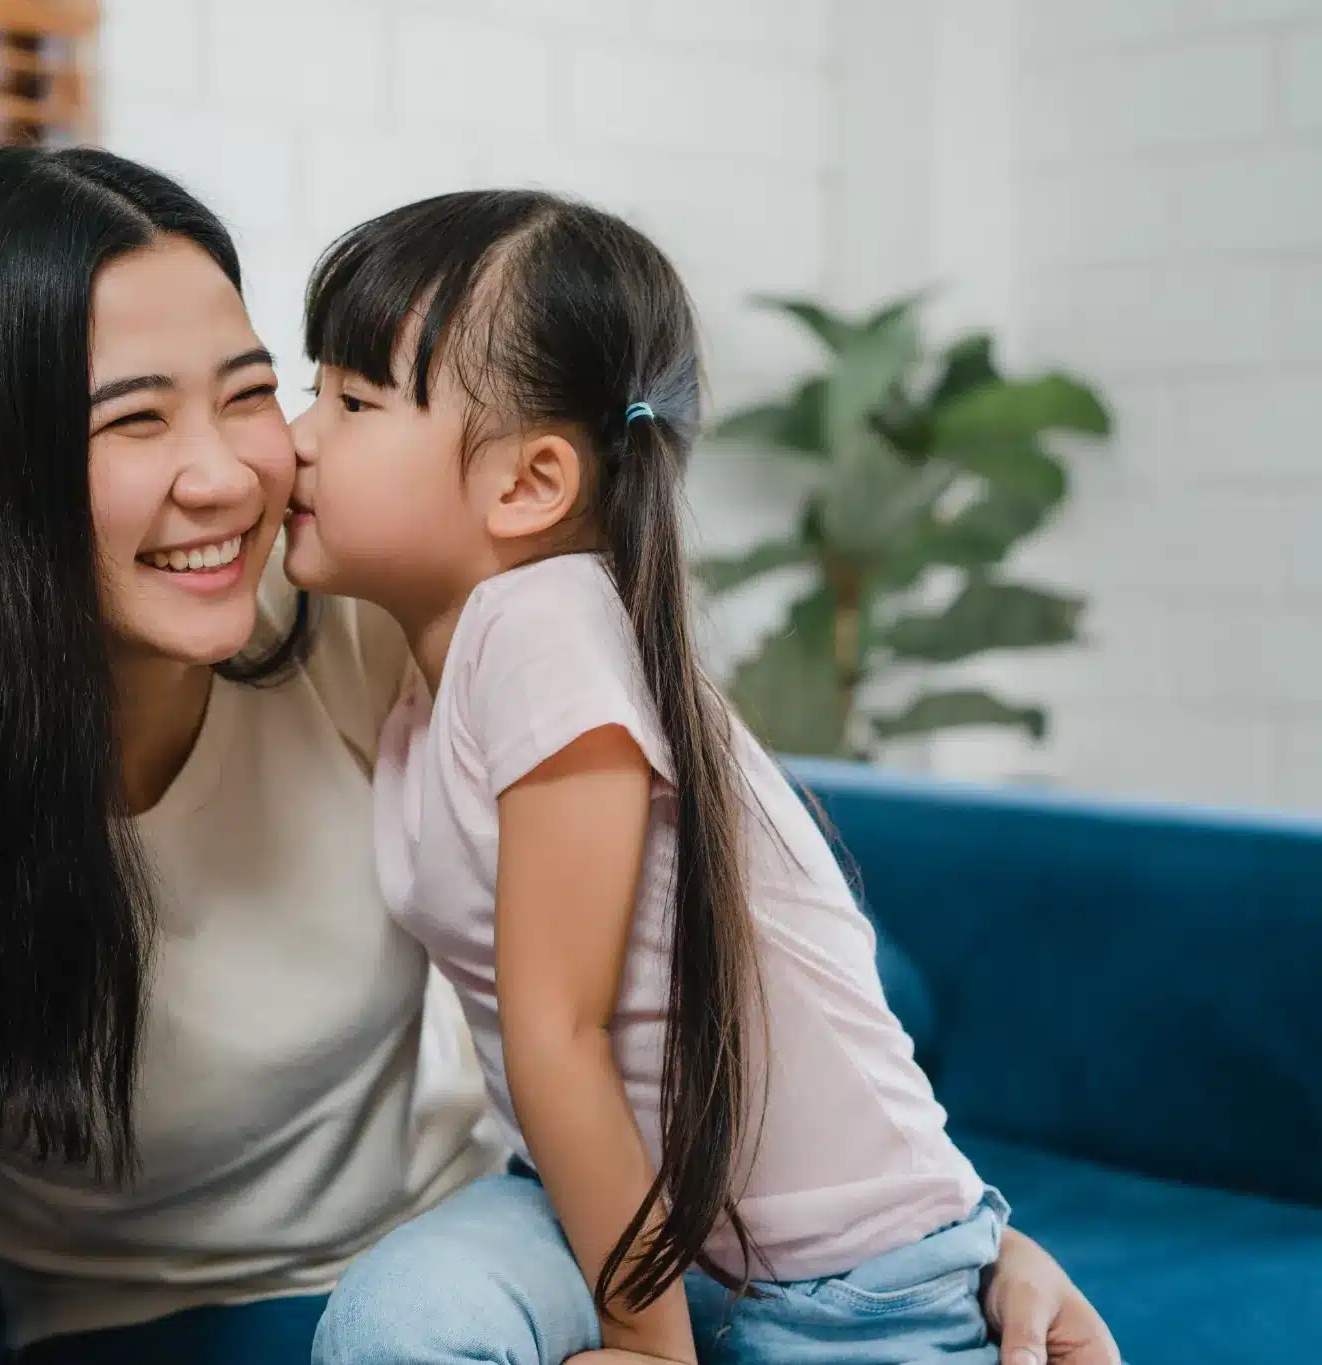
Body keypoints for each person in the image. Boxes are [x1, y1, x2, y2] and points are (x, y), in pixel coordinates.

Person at [0, 146, 1118, 1365]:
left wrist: (945, 1242)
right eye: (136, 419)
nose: (237, 467)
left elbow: (724, 929)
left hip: (513, 1247)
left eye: (253, 390)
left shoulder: (377, 624)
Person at [283, 190, 1120, 1365]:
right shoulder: (435, 660)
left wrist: (644, 1350)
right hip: (611, 1216)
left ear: (527, 486)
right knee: (393, 1325)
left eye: (353, 402)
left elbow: (558, 1031)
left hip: (844, 1284)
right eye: (309, 385)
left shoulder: (547, 627)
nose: (295, 435)